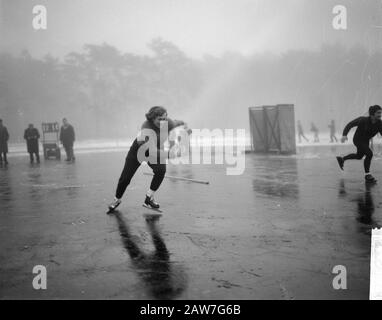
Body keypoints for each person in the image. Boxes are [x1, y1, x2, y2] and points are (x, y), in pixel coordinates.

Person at [108, 106, 188, 212]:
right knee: (125, 178)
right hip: (139, 151)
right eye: (159, 119)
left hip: (155, 150)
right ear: (152, 118)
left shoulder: (167, 122)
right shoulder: (146, 127)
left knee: (161, 171)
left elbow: (175, 123)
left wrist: (183, 124)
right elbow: (152, 151)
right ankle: (116, 199)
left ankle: (149, 198)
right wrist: (170, 154)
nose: (162, 122)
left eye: (164, 119)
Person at [336, 105, 382, 183]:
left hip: (365, 141)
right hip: (358, 140)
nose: (380, 115)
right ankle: (367, 175)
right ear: (372, 114)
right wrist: (344, 135)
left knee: (359, 156)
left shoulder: (379, 123)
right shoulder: (362, 120)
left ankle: (342, 159)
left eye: (381, 113)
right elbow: (350, 124)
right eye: (378, 113)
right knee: (369, 154)